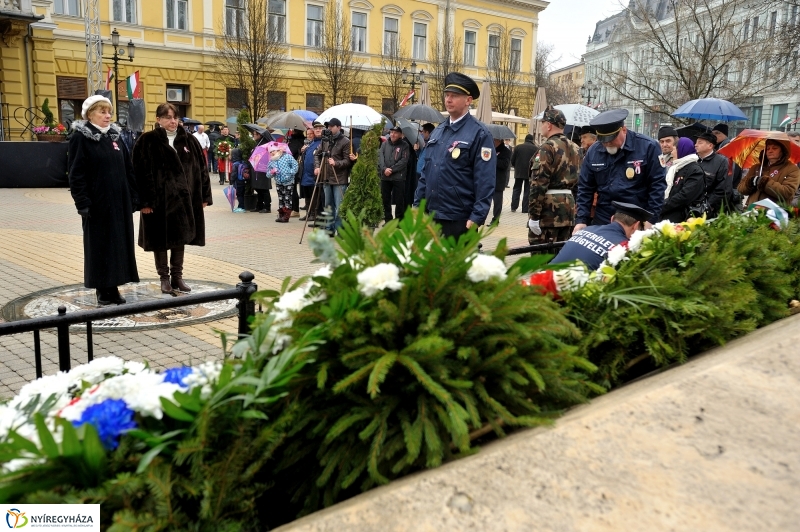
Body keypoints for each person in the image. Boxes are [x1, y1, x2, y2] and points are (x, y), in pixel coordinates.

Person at [132, 102, 212, 294]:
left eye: (175, 117)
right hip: (158, 202)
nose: (172, 121)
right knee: (160, 240)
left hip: (185, 201)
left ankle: (178, 276)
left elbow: (202, 170)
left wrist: (204, 196)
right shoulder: (147, 141)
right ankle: (164, 278)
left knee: (180, 238)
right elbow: (138, 173)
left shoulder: (189, 140)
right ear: (158, 119)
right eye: (168, 117)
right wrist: (144, 202)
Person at [68, 95, 139, 305]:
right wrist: (82, 202)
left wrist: (134, 196)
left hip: (119, 203)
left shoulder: (115, 137)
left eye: (109, 112)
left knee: (118, 245)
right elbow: (75, 174)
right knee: (100, 246)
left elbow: (128, 169)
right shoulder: (81, 138)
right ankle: (102, 289)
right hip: (97, 204)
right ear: (90, 114)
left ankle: (114, 287)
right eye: (102, 112)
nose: (107, 116)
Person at [413, 72, 496, 240]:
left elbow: (485, 179)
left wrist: (477, 216)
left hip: (460, 218)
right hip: (431, 216)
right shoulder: (439, 131)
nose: (448, 100)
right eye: (447, 95)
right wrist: (417, 205)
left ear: (468, 100)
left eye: (455, 96)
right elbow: (426, 173)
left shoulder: (479, 134)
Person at [575, 108, 666, 234]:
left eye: (611, 139)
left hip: (635, 219)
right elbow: (585, 187)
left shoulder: (648, 147)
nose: (607, 144)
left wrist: (651, 219)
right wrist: (581, 220)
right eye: (603, 140)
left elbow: (657, 186)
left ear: (623, 130)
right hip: (604, 217)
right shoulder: (594, 151)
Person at [527, 106, 581, 245]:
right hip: (568, 210)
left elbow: (539, 183)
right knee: (561, 258)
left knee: (541, 259)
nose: (541, 126)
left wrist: (534, 216)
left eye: (542, 123)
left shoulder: (548, 147)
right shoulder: (576, 148)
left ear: (549, 125)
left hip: (548, 212)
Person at [550, 201, 652, 271]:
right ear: (635, 226)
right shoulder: (623, 248)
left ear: (612, 219)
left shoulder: (587, 229)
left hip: (542, 281)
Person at [314, 118, 356, 232]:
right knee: (328, 206)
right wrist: (317, 166)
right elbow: (317, 155)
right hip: (326, 178)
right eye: (328, 126)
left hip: (339, 179)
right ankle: (329, 229)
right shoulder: (325, 140)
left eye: (331, 126)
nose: (329, 128)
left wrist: (336, 163)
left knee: (339, 207)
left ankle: (340, 230)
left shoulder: (346, 141)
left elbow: (348, 161)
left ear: (338, 127)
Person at [737, 139, 800, 207]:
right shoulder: (756, 167)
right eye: (768, 148)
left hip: (775, 213)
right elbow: (740, 189)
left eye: (774, 148)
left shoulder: (792, 169)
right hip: (752, 211)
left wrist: (764, 182)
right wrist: (751, 182)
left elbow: (787, 192)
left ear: (783, 151)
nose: (770, 151)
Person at [661, 137, 706, 222]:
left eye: (674, 150)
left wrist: (663, 205)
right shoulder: (677, 167)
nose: (672, 153)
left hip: (683, 218)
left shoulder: (695, 170)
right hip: (669, 213)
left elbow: (685, 195)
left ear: (682, 150)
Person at [694, 131, 732, 216]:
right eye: (696, 142)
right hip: (692, 206)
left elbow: (723, 189)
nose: (696, 145)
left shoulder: (721, 162)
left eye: (700, 143)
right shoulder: (694, 160)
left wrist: (708, 205)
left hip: (710, 210)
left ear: (710, 146)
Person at [379, 125, 410, 223]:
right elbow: (380, 158)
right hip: (385, 177)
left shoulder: (404, 145)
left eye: (395, 132)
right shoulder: (384, 144)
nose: (393, 134)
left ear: (400, 134)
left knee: (399, 200)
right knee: (385, 200)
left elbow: (404, 161)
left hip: (398, 177)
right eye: (391, 132)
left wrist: (391, 170)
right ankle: (388, 220)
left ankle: (399, 220)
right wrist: (384, 169)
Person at [266, 141, 300, 223]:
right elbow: (267, 174)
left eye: (273, 151)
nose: (272, 153)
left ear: (278, 150)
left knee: (287, 198)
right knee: (281, 198)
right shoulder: (271, 161)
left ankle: (286, 216)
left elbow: (295, 165)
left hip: (289, 181)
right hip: (278, 182)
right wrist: (272, 172)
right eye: (270, 152)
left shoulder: (287, 157)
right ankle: (281, 215)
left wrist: (290, 173)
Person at [300, 122, 324, 222]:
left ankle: (314, 214)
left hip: (315, 175)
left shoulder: (323, 143)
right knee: (308, 195)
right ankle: (309, 213)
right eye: (316, 128)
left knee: (315, 196)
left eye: (320, 128)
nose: (317, 130)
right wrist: (303, 151)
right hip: (306, 174)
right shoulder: (311, 143)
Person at [510, 133, 537, 213]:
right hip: (530, 172)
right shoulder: (536, 149)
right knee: (527, 190)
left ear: (525, 139)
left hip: (519, 172)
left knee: (517, 188)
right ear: (532, 140)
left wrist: (516, 167)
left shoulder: (518, 147)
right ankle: (525, 209)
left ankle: (513, 207)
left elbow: (512, 160)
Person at [491, 136, 512, 224]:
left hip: (498, 180)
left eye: (494, 140)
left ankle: (495, 220)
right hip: (488, 179)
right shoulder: (489, 149)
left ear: (499, 140)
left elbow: (505, 165)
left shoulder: (506, 151)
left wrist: (494, 159)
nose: (493, 141)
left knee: (497, 202)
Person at [251, 128, 272, 213]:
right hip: (256, 169)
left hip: (263, 169)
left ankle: (267, 206)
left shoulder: (265, 144)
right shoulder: (257, 143)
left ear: (259, 135)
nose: (253, 136)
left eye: (255, 134)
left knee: (264, 188)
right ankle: (259, 205)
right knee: (258, 187)